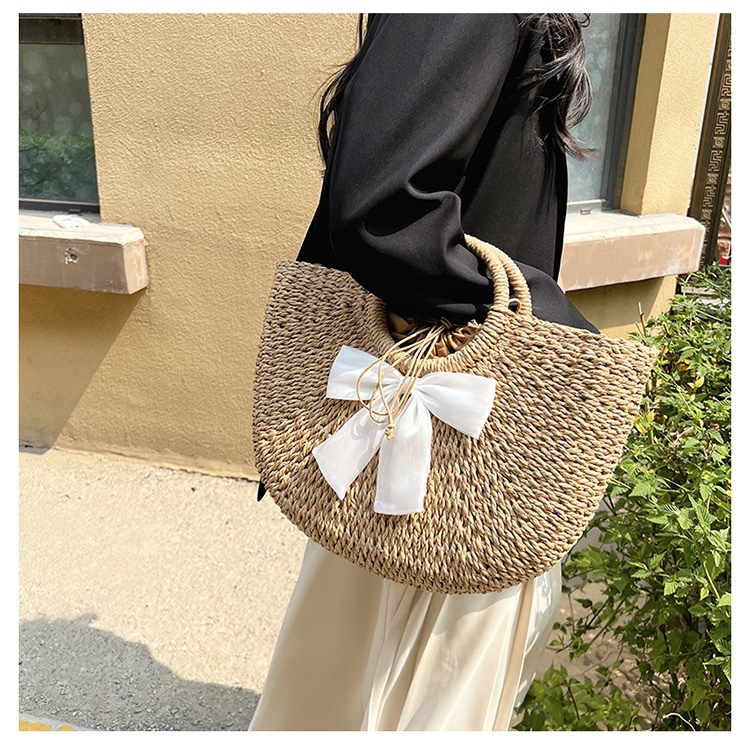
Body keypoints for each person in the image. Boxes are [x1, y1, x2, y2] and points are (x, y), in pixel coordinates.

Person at [249, 13, 596, 731]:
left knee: (348, 691)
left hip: (445, 424)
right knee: (417, 696)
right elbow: (385, 208)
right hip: (457, 429)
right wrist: (551, 326)